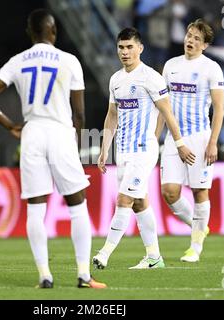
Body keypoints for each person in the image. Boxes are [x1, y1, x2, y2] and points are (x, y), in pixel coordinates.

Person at [0, 9, 106, 289]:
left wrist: (10, 124)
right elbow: (80, 114)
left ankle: (44, 276)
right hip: (61, 132)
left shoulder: (18, 61)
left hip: (32, 132)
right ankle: (84, 275)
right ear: (54, 32)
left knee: (36, 209)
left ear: (29, 32)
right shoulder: (69, 60)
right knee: (77, 204)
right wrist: (78, 142)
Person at [92, 27, 196, 270]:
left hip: (144, 150)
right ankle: (154, 257)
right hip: (123, 151)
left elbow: (167, 112)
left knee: (124, 199)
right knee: (139, 203)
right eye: (121, 47)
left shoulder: (150, 77)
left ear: (140, 48)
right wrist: (104, 148)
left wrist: (179, 143)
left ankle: (104, 254)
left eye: (130, 47)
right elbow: (112, 114)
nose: (125, 52)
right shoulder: (115, 79)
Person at [159, 19, 224, 263]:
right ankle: (199, 227)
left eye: (197, 38)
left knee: (199, 191)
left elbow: (219, 110)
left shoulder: (211, 68)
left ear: (205, 45)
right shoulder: (170, 65)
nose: (191, 40)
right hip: (174, 139)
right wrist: (156, 137)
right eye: (189, 35)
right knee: (169, 192)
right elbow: (162, 107)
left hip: (199, 137)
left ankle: (194, 249)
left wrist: (213, 142)